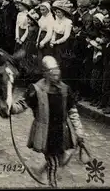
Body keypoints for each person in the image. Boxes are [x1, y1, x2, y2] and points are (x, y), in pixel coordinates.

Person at [10, 56, 86, 187]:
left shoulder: (65, 89)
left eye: (56, 69)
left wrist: (79, 130)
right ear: (45, 73)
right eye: (51, 70)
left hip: (61, 132)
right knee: (53, 162)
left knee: (60, 159)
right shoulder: (36, 89)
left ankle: (43, 171)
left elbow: (72, 111)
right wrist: (10, 108)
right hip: (45, 133)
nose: (55, 73)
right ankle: (52, 184)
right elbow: (22, 105)